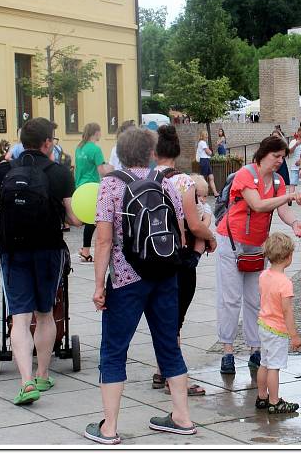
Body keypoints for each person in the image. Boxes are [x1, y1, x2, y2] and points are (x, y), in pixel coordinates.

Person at [88, 127, 196, 443]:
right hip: (164, 276)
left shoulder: (109, 186)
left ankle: (108, 427)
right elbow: (181, 234)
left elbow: (104, 241)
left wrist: (98, 286)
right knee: (168, 344)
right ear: (151, 152)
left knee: (113, 349)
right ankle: (182, 416)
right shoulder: (167, 183)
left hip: (126, 278)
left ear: (120, 154)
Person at [0, 118, 82, 405]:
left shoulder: (4, 170)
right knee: (44, 314)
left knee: (19, 318)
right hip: (48, 251)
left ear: (22, 142)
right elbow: (72, 218)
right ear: (48, 143)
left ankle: (26, 382)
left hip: (12, 250)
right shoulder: (60, 173)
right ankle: (43, 374)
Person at [214, 136, 301, 375]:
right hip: (231, 243)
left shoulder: (277, 181)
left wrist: (295, 222)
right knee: (230, 299)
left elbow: (282, 210)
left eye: (282, 157)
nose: (279, 161)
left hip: (257, 246)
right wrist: (287, 196)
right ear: (263, 154)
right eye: (275, 156)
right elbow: (257, 205)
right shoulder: (246, 174)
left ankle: (255, 349)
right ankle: (227, 351)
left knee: (256, 300)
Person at [149, 125, 215, 397]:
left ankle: (162, 369)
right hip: (177, 256)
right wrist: (210, 236)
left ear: (154, 153)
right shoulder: (183, 182)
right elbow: (194, 225)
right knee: (175, 318)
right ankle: (173, 378)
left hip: (150, 255)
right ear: (178, 152)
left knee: (162, 315)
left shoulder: (144, 178)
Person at [255, 233, 301, 414]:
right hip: (277, 330)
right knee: (274, 367)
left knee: (264, 363)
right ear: (288, 257)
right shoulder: (285, 283)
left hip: (263, 325)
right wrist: (294, 336)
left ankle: (262, 396)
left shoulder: (263, 275)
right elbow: (286, 311)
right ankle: (275, 402)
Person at [75, 123, 113, 263]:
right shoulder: (96, 149)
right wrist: (112, 168)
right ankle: (86, 250)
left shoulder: (79, 147)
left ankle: (86, 249)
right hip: (92, 187)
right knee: (93, 219)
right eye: (100, 132)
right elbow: (102, 171)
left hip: (80, 186)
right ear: (96, 133)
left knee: (90, 220)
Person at [196, 131, 219, 197]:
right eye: (206, 134)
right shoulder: (202, 142)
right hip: (204, 161)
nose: (207, 136)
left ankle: (215, 193)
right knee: (203, 178)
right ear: (202, 135)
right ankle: (201, 193)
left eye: (207, 134)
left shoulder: (204, 143)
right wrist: (210, 152)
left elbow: (209, 152)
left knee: (211, 177)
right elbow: (209, 152)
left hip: (206, 161)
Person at [286, 126, 301, 194]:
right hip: (294, 166)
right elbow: (289, 152)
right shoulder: (293, 141)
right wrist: (295, 145)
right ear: (298, 133)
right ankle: (290, 198)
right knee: (292, 183)